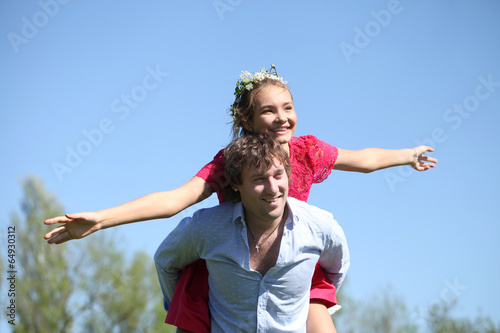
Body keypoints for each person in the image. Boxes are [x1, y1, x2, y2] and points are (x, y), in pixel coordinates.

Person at [43, 65, 438, 332]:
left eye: (288, 107)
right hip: (233, 255)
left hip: (292, 253)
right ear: (246, 120)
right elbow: (175, 200)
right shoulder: (232, 161)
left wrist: (406, 156)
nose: (283, 118)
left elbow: (362, 160)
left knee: (319, 316)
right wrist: (101, 220)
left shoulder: (306, 150)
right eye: (269, 111)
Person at [154, 133, 350, 332]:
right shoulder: (207, 228)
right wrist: (185, 307)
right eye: (259, 179)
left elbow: (337, 269)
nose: (273, 189)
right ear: (236, 184)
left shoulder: (320, 226)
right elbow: (165, 261)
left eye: (278, 175)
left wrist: (314, 304)